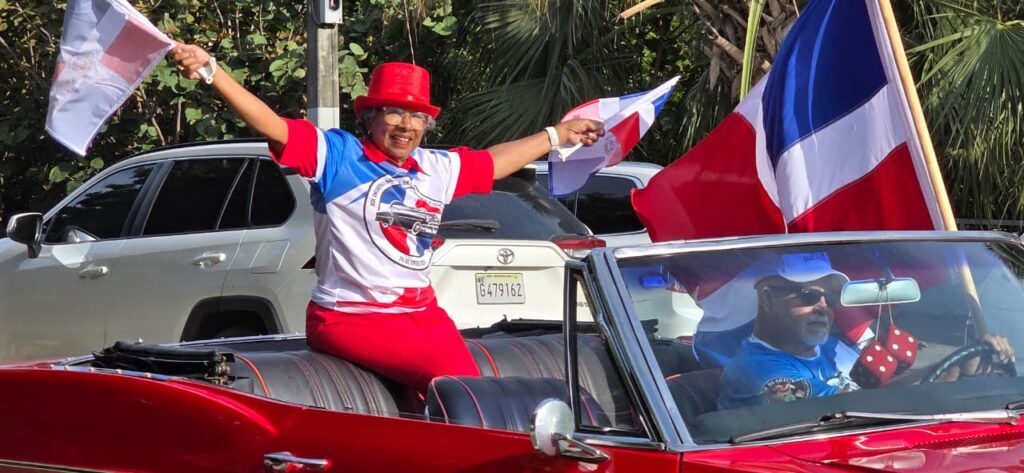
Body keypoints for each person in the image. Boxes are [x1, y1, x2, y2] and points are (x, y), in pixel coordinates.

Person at [169, 43, 605, 396]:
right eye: (394, 112)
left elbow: (493, 162)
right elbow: (273, 125)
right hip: (350, 317)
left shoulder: (435, 167)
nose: (405, 124)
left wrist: (556, 135)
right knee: (462, 386)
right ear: (371, 116)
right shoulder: (339, 156)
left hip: (422, 314)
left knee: (450, 392)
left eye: (417, 115)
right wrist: (213, 72)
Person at [717, 252, 1015, 409]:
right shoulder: (760, 371)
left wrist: (959, 368)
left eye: (830, 297)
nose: (824, 306)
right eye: (809, 295)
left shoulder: (831, 348)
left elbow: (881, 392)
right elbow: (852, 408)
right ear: (767, 299)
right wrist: (948, 374)